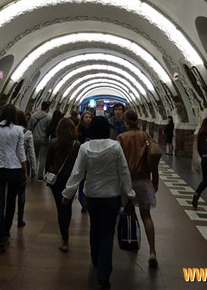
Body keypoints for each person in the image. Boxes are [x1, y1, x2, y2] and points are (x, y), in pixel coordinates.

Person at [62, 116, 135, 288]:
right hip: (111, 197)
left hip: (92, 196)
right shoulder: (115, 147)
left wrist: (67, 193)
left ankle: (95, 259)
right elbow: (124, 172)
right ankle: (104, 273)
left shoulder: (85, 148)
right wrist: (130, 194)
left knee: (94, 227)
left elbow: (77, 173)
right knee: (107, 233)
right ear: (106, 130)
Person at [117, 109, 159, 268]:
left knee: (128, 212)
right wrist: (155, 180)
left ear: (125, 122)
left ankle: (132, 241)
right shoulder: (146, 136)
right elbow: (153, 158)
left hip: (127, 182)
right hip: (144, 180)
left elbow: (118, 163)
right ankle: (153, 252)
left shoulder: (121, 138)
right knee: (146, 216)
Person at [0, 104, 27, 253]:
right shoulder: (18, 130)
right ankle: (7, 230)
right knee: (11, 202)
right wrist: (25, 170)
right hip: (14, 168)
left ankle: (1, 236)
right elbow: (21, 152)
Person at [45, 117, 80, 252]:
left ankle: (64, 238)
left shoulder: (53, 143)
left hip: (56, 179)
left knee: (60, 207)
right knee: (68, 205)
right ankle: (66, 237)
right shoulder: (76, 145)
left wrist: (48, 177)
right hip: (71, 179)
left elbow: (48, 162)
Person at [15, 109, 37, 228]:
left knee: (10, 194)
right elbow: (31, 152)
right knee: (21, 192)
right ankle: (20, 218)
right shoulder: (27, 133)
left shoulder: (7, 131)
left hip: (9, 164)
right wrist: (34, 169)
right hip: (23, 164)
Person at [27, 101, 52, 180]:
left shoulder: (33, 116)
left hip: (34, 138)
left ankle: (32, 172)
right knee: (42, 158)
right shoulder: (48, 117)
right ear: (48, 108)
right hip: (44, 139)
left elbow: (29, 128)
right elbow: (49, 130)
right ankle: (40, 175)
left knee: (33, 156)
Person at [76, 110, 93, 212]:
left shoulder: (94, 129)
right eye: (86, 117)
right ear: (82, 118)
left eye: (90, 117)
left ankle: (87, 200)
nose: (88, 119)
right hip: (81, 155)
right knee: (82, 179)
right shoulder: (78, 128)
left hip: (91, 156)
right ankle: (82, 200)